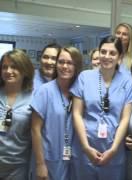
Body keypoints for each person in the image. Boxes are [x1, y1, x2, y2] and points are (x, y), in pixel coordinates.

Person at [71, 35, 132, 180]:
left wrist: (113, 150)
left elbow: (125, 119)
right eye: (103, 51)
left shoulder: (127, 82)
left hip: (113, 150)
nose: (107, 56)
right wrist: (86, 147)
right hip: (85, 148)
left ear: (120, 56)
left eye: (112, 53)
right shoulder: (85, 77)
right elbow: (76, 114)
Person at [31, 46, 83, 180]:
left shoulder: (80, 92)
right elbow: (35, 130)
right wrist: (40, 164)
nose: (64, 66)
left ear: (76, 66)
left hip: (73, 160)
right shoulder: (45, 91)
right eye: (61, 62)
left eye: (70, 63)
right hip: (49, 160)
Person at [0, 49, 34, 179]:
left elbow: (36, 134)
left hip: (18, 167)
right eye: (4, 67)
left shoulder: (34, 99)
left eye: (14, 67)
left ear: (25, 70)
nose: (8, 71)